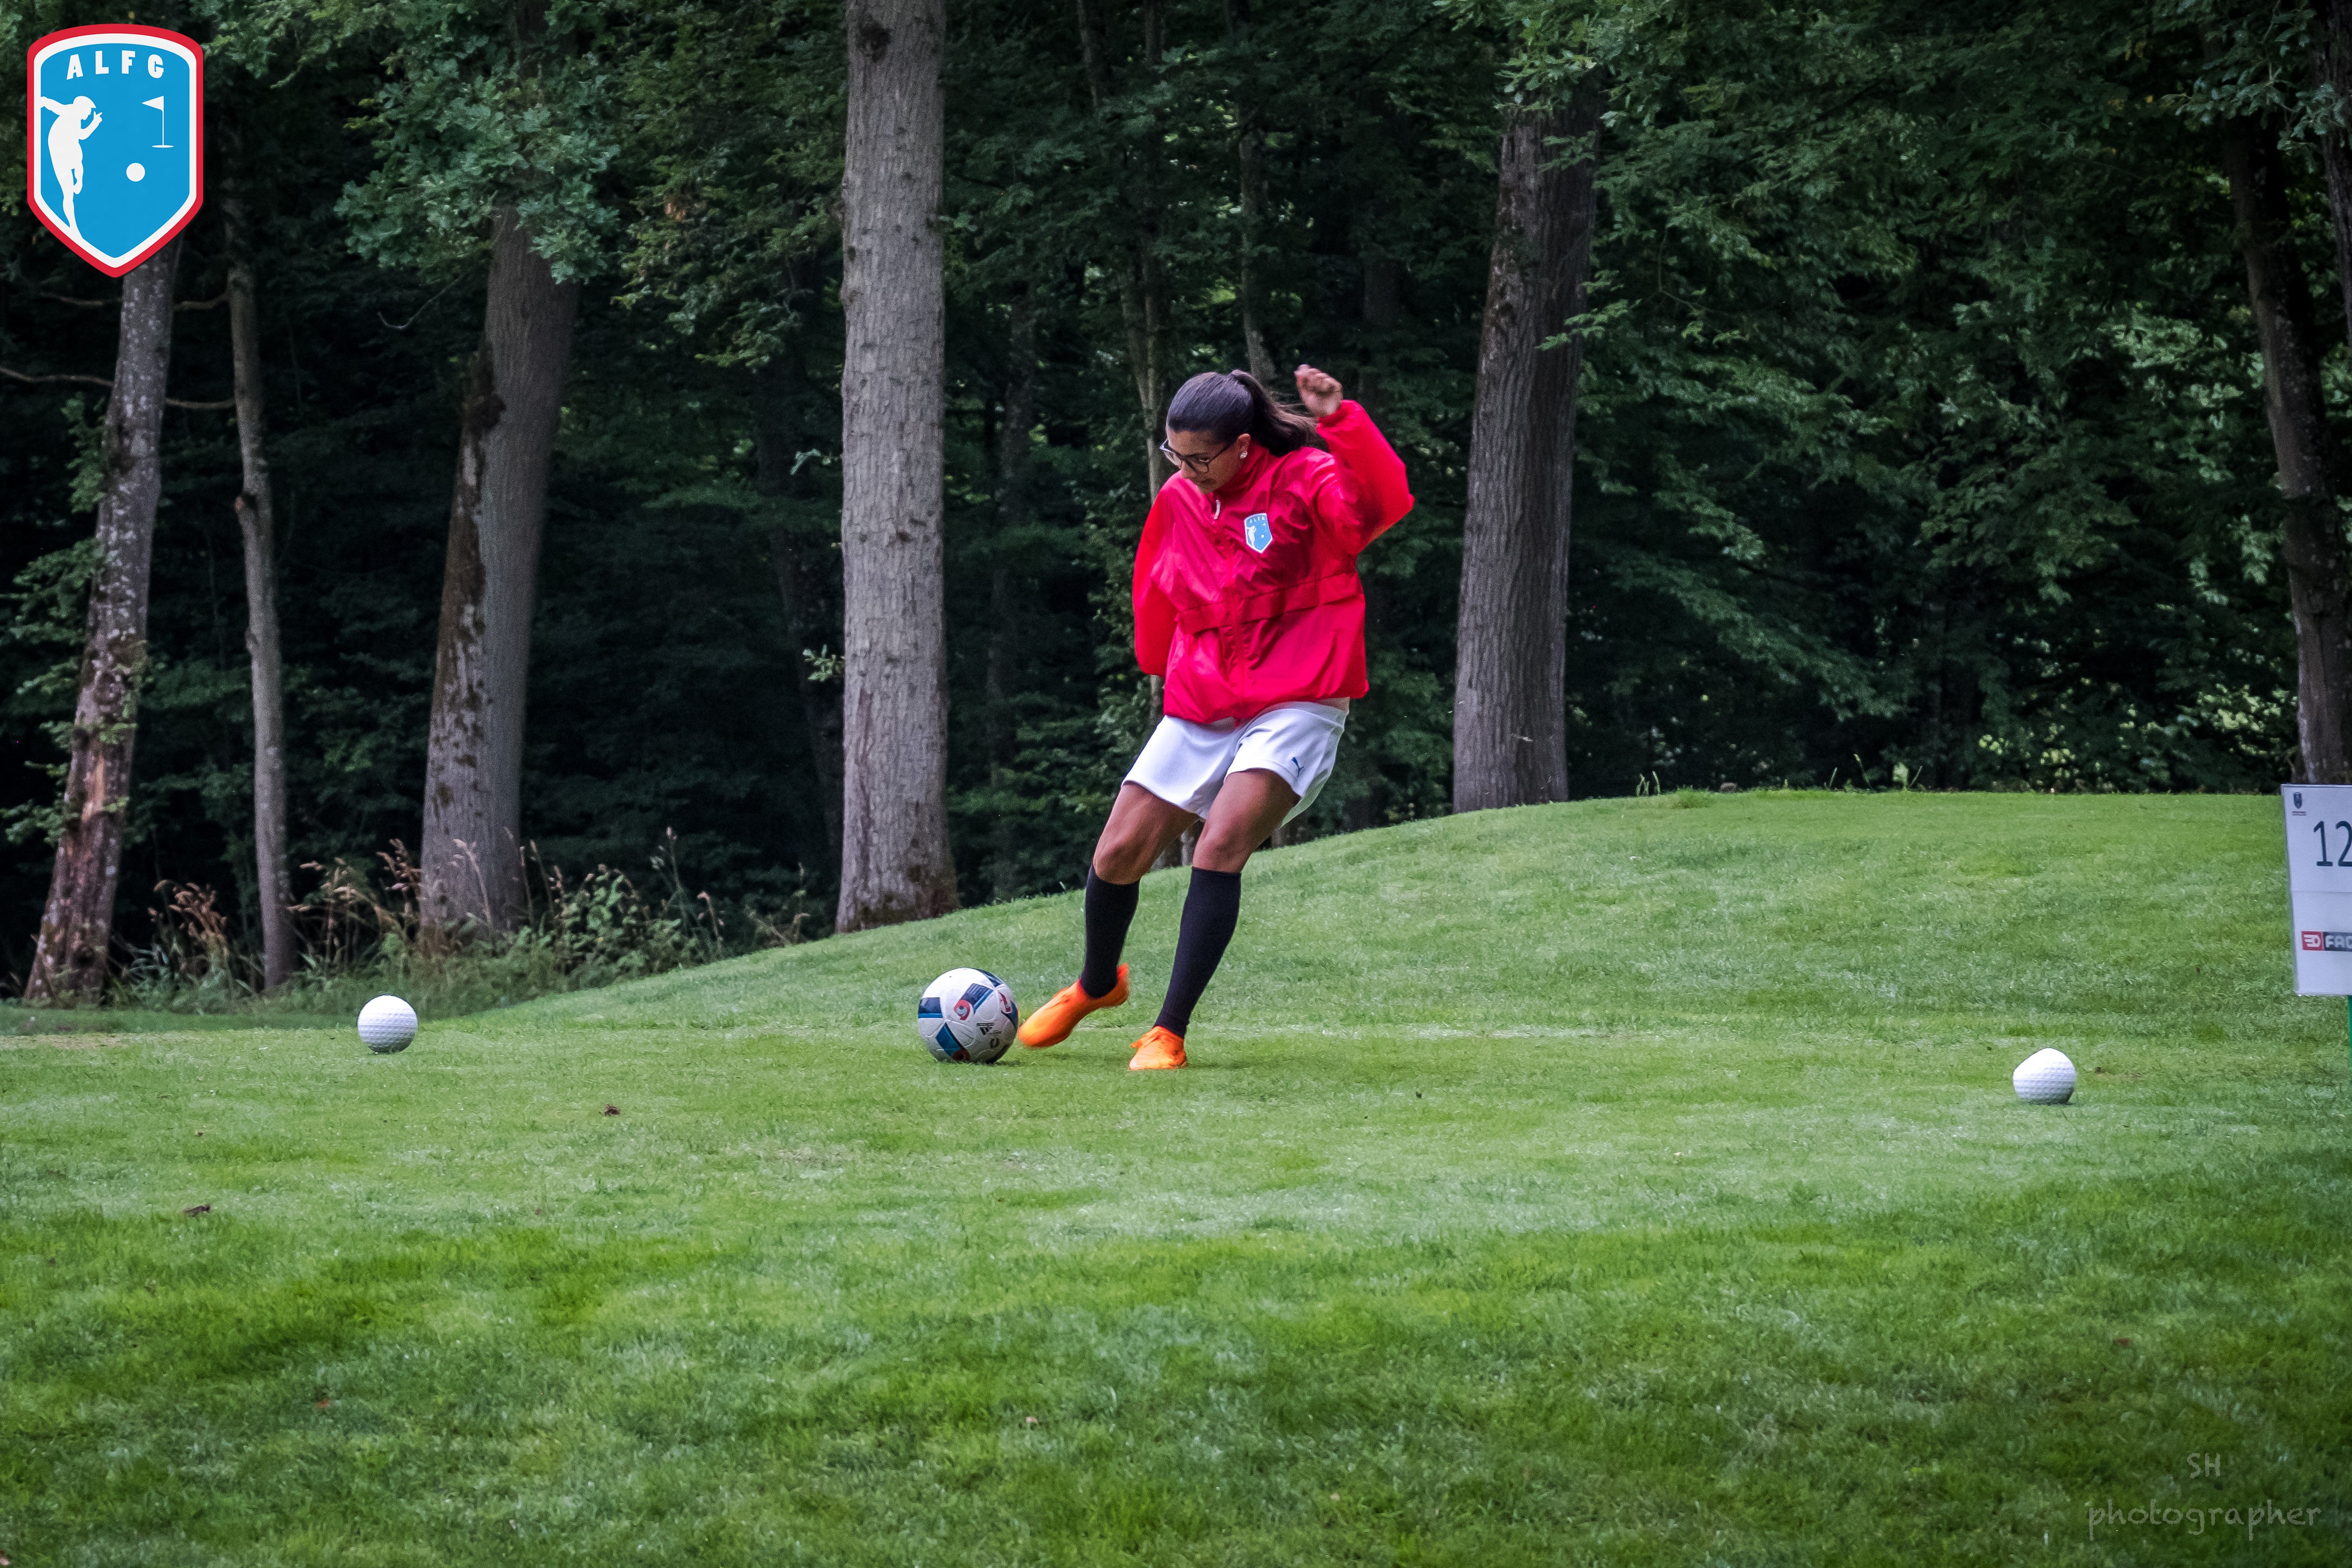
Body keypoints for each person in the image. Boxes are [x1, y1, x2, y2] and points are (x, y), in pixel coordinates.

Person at [1016, 363, 1413, 1069]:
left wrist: (1341, 421)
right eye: (1176, 454)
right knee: (1116, 852)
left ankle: (1168, 1031)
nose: (1186, 470)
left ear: (1242, 445)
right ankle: (1097, 984)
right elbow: (1155, 587)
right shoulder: (1179, 496)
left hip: (1299, 696)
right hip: (1205, 698)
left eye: (1200, 457)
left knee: (1219, 842)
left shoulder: (1306, 477)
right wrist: (1160, 665)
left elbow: (1378, 505)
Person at [38, 96, 102, 238]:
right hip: (59, 151)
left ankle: (79, 182)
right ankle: (73, 227)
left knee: (78, 160)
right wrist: (44, 101)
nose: (89, 113)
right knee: (68, 194)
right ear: (81, 107)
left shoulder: (77, 119)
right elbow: (55, 107)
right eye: (88, 110)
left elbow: (81, 136)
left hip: (68, 148)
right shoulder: (70, 111)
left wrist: (94, 122)